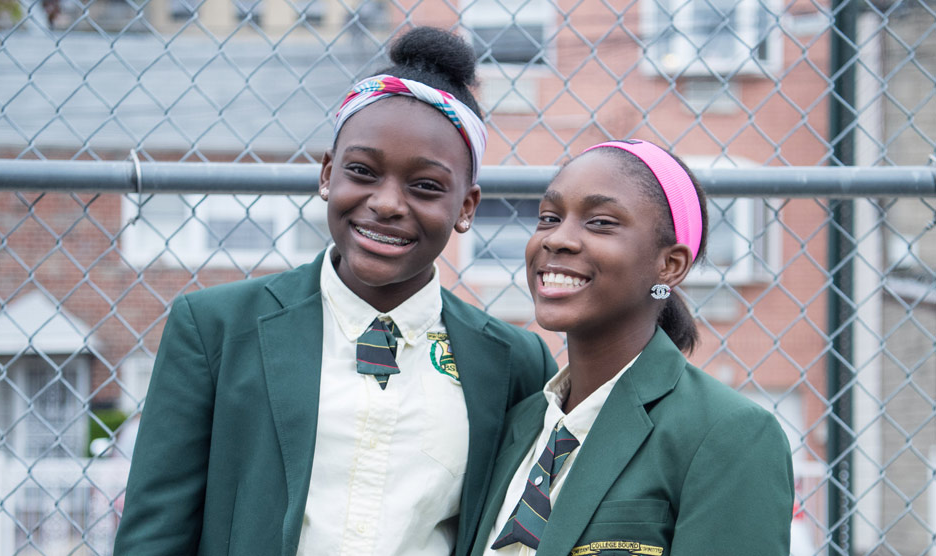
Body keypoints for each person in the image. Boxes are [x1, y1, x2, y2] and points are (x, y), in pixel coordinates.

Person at [113, 27, 557, 556]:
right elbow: (154, 534)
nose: (388, 203)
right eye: (362, 172)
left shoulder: (513, 361)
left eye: (426, 186)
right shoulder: (215, 329)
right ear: (328, 174)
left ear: (466, 207)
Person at [471, 140, 795, 556]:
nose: (557, 239)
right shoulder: (518, 423)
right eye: (549, 218)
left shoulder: (728, 434)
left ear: (670, 265)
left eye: (601, 222)